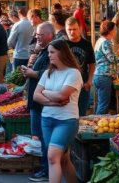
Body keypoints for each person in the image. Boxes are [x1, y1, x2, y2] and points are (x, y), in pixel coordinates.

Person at [32, 39, 83, 183]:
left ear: (63, 53)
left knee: (52, 156)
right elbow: (36, 95)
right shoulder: (48, 73)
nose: (49, 55)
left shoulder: (73, 73)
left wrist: (46, 92)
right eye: (48, 52)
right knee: (63, 158)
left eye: (52, 52)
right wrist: (54, 102)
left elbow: (62, 95)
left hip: (66, 121)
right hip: (47, 119)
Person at [21, 22, 55, 181]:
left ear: (49, 35)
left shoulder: (52, 51)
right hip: (36, 101)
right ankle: (45, 167)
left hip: (42, 102)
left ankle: (46, 170)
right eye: (37, 35)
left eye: (40, 35)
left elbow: (52, 73)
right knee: (40, 136)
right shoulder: (42, 50)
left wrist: (33, 73)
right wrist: (29, 66)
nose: (37, 37)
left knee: (43, 137)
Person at [63, 17, 95, 116]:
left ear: (80, 29)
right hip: (65, 85)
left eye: (74, 29)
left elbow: (92, 63)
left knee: (81, 114)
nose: (72, 32)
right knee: (67, 114)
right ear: (65, 29)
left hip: (83, 85)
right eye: (69, 30)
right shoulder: (62, 44)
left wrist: (89, 81)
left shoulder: (87, 44)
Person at [93, 21, 119, 115]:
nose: (116, 31)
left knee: (99, 103)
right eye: (115, 29)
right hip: (104, 76)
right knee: (103, 104)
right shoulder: (105, 42)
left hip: (98, 75)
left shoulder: (100, 40)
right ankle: (99, 123)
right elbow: (112, 59)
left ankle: (95, 121)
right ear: (111, 31)